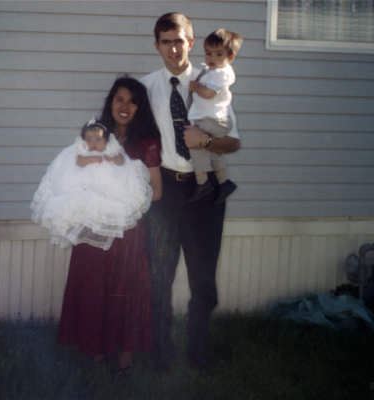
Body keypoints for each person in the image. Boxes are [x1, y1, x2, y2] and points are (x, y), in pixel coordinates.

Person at [141, 12, 241, 371]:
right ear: (157, 46)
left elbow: (233, 142)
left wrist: (207, 141)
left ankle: (198, 351)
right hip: (165, 194)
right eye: (166, 42)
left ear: (191, 42)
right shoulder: (145, 88)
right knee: (159, 278)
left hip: (205, 194)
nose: (173, 49)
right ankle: (161, 352)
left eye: (179, 41)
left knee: (203, 281)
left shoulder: (212, 80)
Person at [52, 77, 162, 375]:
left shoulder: (147, 142)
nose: (125, 107)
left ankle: (125, 354)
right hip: (93, 225)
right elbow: (73, 171)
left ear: (140, 107)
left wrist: (123, 200)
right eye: (119, 99)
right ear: (110, 102)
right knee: (92, 285)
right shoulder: (95, 134)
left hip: (127, 229)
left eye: (132, 101)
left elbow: (156, 191)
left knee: (125, 288)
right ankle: (95, 349)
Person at [30, 120, 152, 251]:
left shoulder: (112, 150)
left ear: (106, 141)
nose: (93, 143)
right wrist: (90, 159)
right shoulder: (83, 151)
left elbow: (122, 161)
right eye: (89, 140)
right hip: (86, 185)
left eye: (98, 140)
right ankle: (82, 224)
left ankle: (102, 224)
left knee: (109, 203)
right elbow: (79, 162)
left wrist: (113, 159)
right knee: (81, 202)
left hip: (108, 186)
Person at [187, 28, 242, 203]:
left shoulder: (222, 74)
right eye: (208, 53)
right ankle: (223, 182)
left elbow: (209, 93)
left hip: (216, 120)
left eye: (219, 54)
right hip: (214, 119)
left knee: (194, 143)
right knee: (214, 152)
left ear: (230, 57)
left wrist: (195, 87)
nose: (212, 58)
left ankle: (203, 183)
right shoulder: (212, 71)